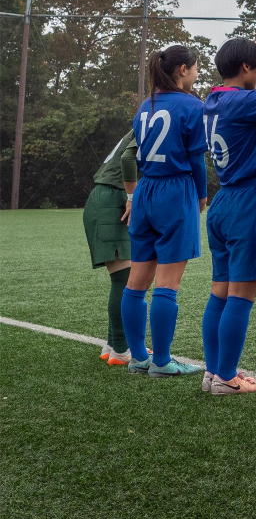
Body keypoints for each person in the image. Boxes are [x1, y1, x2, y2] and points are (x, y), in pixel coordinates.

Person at [122, 44, 209, 378]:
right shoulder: (192, 105)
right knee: (167, 284)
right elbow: (196, 159)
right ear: (183, 70)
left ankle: (138, 357)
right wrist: (201, 196)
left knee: (136, 283)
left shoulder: (146, 105)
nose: (197, 73)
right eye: (196, 67)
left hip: (146, 190)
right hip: (175, 191)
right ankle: (161, 362)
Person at [201, 36, 256, 396]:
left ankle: (214, 371)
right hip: (248, 200)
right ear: (247, 67)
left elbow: (254, 100)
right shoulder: (244, 102)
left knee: (220, 292)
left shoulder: (214, 100)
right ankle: (227, 378)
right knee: (241, 295)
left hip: (223, 200)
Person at [83, 129, 138, 367]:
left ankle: (113, 344)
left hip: (107, 197)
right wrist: (132, 197)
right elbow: (128, 157)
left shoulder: (146, 118)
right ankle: (122, 349)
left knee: (122, 278)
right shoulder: (153, 117)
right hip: (112, 199)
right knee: (123, 279)